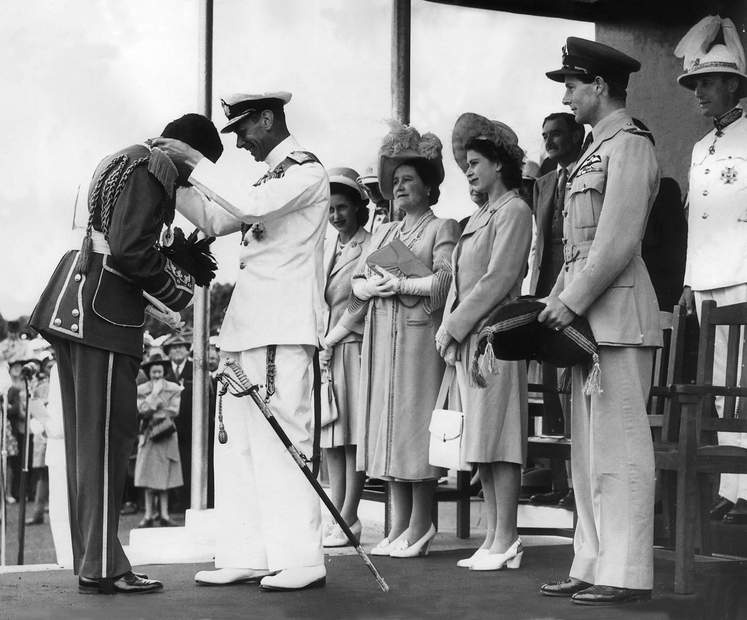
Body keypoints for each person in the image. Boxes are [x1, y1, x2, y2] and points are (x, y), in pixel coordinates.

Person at [29, 113, 223, 595]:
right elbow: (132, 250)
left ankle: (93, 560)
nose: (188, 181)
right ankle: (104, 566)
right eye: (194, 170)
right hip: (106, 315)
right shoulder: (156, 165)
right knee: (106, 445)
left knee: (87, 446)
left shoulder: (122, 156)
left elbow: (113, 240)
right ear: (186, 154)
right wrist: (179, 289)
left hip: (78, 304)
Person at [153, 91, 330, 591]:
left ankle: (300, 558)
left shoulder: (305, 172)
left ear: (268, 119)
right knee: (237, 446)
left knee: (281, 441)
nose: (241, 143)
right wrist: (173, 175)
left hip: (282, 326)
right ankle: (247, 552)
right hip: (248, 327)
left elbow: (250, 207)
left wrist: (194, 162)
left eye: (244, 130)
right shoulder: (265, 180)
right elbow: (213, 219)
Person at [537, 37, 662, 606]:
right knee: (587, 455)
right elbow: (573, 249)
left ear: (599, 87)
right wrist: (552, 309)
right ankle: (591, 561)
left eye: (570, 84)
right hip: (586, 322)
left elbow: (615, 242)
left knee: (623, 451)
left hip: (616, 317)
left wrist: (570, 301)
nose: (566, 95)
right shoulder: (591, 152)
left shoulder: (630, 145)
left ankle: (628, 570)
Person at [350, 122, 460, 558]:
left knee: (415, 430)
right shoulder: (383, 233)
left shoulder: (442, 226)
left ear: (429, 187)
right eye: (394, 181)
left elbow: (446, 281)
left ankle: (422, 524)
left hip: (418, 342)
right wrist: (369, 288)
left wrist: (401, 286)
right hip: (382, 340)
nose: (398, 187)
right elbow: (356, 283)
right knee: (389, 429)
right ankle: (398, 527)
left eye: (407, 180)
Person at [436, 114, 532, 571]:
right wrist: (455, 334)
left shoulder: (514, 210)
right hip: (474, 339)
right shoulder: (481, 214)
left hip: (498, 336)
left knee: (501, 438)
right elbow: (460, 278)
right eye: (467, 164)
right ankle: (494, 535)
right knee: (482, 441)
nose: (469, 170)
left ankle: (508, 538)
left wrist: (453, 325)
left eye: (476, 163)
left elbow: (498, 280)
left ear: (499, 164)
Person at [674, 16, 747, 525]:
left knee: (746, 381)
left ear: (732, 84)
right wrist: (685, 280)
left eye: (706, 82)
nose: (698, 92)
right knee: (720, 385)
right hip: (706, 281)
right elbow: (696, 221)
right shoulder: (701, 148)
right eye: (695, 83)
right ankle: (733, 488)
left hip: (744, 274)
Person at [528, 112, 585, 508]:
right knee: (551, 391)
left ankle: (578, 485)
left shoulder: (587, 170)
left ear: (576, 135)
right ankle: (558, 482)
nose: (550, 141)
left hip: (579, 295)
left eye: (558, 134)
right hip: (548, 294)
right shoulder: (545, 183)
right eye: (545, 135)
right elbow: (539, 245)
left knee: (573, 390)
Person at [317, 167, 372, 547]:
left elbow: (361, 301)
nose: (336, 216)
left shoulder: (370, 245)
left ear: (357, 208)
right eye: (330, 208)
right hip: (324, 350)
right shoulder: (325, 247)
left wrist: (334, 337)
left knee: (350, 436)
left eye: (342, 207)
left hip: (352, 345)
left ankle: (350, 517)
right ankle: (336, 513)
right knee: (330, 437)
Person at [134, 352, 183, 528]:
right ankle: (148, 515)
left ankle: (164, 514)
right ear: (149, 373)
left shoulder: (174, 388)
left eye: (159, 372)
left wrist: (153, 407)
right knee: (148, 477)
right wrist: (154, 395)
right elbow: (142, 410)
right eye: (154, 372)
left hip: (167, 435)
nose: (157, 375)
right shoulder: (141, 390)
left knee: (166, 478)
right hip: (148, 435)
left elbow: (175, 411)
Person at [162, 332, 193, 512]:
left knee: (189, 463)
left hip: (191, 427)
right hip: (169, 426)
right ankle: (175, 502)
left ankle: (189, 501)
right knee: (172, 464)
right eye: (173, 348)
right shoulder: (164, 371)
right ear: (168, 352)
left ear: (187, 350)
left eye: (181, 346)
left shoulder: (195, 368)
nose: (177, 350)